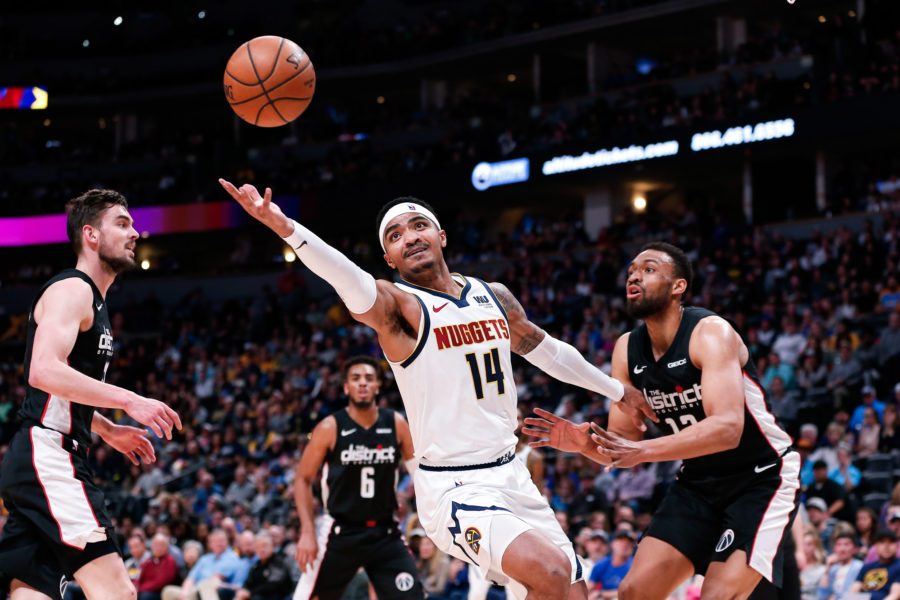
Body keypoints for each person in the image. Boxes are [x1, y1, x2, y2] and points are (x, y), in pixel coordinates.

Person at [220, 179, 654, 600]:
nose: (409, 237)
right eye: (394, 235)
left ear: (441, 236)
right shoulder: (399, 309)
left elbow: (547, 351)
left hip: (512, 475)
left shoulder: (493, 295)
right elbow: (346, 276)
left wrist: (618, 391)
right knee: (553, 573)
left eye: (418, 225)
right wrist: (285, 227)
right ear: (389, 259)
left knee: (570, 591)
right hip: (455, 487)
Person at [523, 242, 801, 600]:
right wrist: (584, 445)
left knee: (718, 596)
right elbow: (620, 450)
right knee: (634, 593)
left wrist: (641, 451)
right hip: (698, 482)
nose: (635, 275)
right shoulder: (626, 348)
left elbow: (728, 429)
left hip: (762, 476)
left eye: (649, 269)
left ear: (678, 286)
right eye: (631, 272)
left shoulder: (710, 332)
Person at [0, 189, 181, 600]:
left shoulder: (94, 302)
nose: (134, 233)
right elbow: (43, 370)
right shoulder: (73, 289)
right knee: (118, 592)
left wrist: (104, 427)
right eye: (122, 223)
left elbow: (57, 387)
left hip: (40, 457)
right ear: (91, 235)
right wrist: (130, 400)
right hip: (49, 455)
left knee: (31, 593)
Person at [292, 355, 423, 600]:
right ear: (346, 387)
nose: (362, 383)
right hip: (338, 533)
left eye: (369, 378)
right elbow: (302, 479)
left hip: (385, 532)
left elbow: (421, 473)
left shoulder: (396, 424)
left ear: (377, 386)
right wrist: (307, 532)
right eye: (355, 378)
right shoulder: (330, 427)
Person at [235, 533, 294, 600]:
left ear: (271, 545)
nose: (261, 549)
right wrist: (243, 591)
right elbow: (248, 583)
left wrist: (250, 593)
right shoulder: (256, 565)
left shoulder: (280, 561)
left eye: (264, 546)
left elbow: (273, 585)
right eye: (258, 547)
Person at [850, 528, 900, 600]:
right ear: (876, 546)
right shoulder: (867, 567)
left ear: (897, 546)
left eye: (891, 542)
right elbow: (853, 591)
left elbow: (895, 595)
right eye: (882, 542)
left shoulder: (898, 566)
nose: (886, 546)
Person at [586, 530, 635, 600]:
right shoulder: (601, 564)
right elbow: (590, 586)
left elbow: (630, 591)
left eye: (629, 542)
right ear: (613, 543)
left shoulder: (635, 566)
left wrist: (600, 593)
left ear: (632, 547)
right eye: (621, 541)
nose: (625, 544)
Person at [817, 532, 862, 600]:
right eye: (838, 545)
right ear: (834, 548)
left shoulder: (859, 567)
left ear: (854, 548)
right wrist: (827, 567)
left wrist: (836, 597)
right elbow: (821, 596)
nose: (842, 548)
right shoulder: (832, 569)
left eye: (846, 544)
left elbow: (855, 595)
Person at [136, 534, 180, 600]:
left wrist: (141, 589)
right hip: (146, 591)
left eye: (161, 545)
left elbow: (161, 583)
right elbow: (140, 579)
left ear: (167, 547)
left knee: (145, 596)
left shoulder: (170, 560)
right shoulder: (148, 561)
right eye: (155, 545)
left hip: (162, 593)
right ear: (151, 547)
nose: (158, 548)